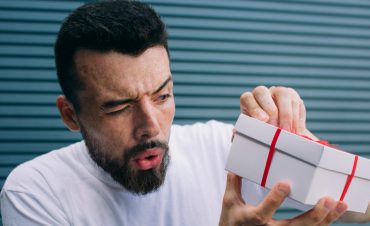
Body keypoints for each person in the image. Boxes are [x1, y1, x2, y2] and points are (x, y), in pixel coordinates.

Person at [0, 1, 369, 225]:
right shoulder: (36, 190)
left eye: (162, 96)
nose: (150, 127)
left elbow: (364, 203)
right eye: (118, 107)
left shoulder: (223, 147)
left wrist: (313, 156)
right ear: (70, 115)